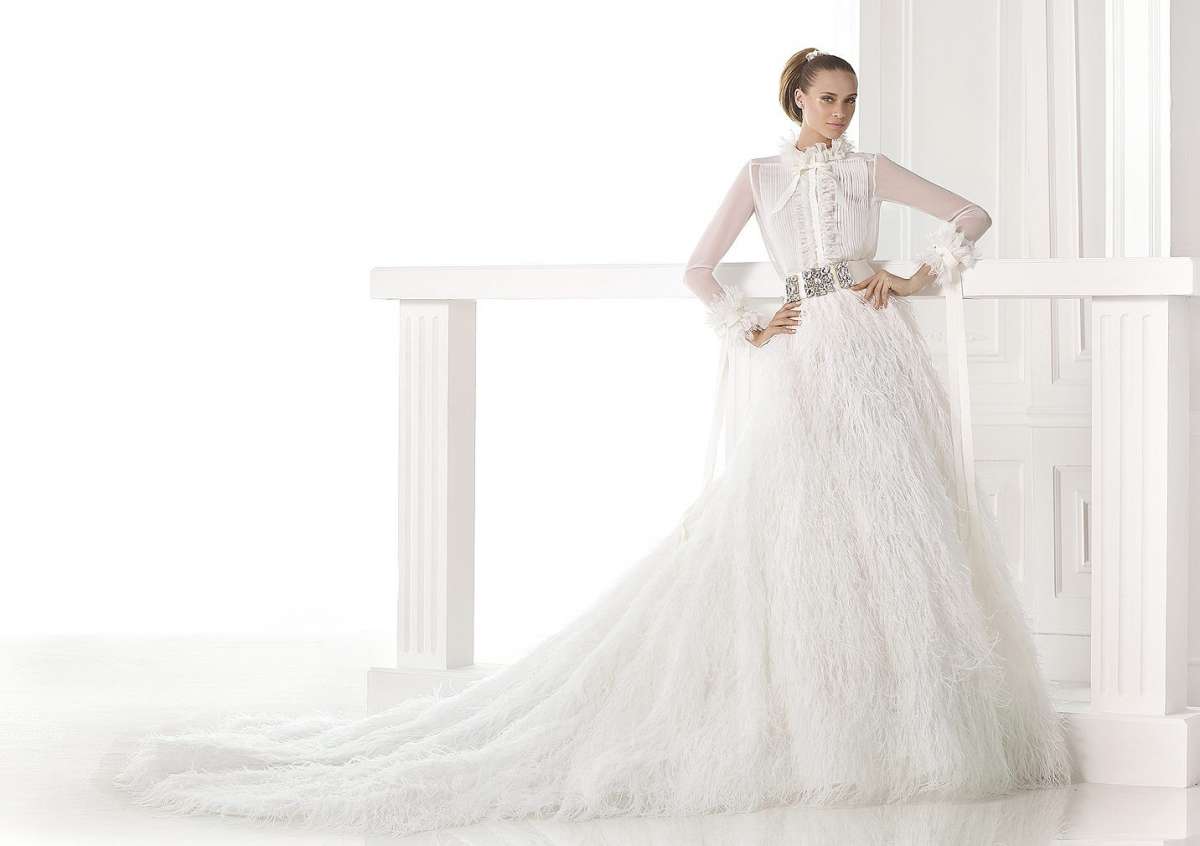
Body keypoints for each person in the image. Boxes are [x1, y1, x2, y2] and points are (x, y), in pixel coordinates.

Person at [112, 47, 1073, 837]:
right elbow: (697, 269)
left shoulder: (868, 169)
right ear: (795, 100)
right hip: (805, 350)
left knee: (897, 524)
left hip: (874, 350)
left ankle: (897, 720)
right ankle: (810, 711)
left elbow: (970, 213)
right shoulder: (760, 175)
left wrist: (909, 278)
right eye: (828, 100)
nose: (842, 114)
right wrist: (748, 324)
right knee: (796, 523)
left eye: (851, 101)